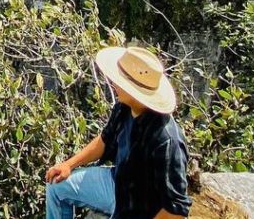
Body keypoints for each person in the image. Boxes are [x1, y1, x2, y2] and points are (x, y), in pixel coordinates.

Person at [44, 45, 192, 219]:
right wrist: (69, 164)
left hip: (141, 209)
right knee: (56, 187)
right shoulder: (124, 107)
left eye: (119, 81)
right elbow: (105, 140)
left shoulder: (166, 139)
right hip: (117, 183)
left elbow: (176, 208)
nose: (113, 84)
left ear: (135, 92)